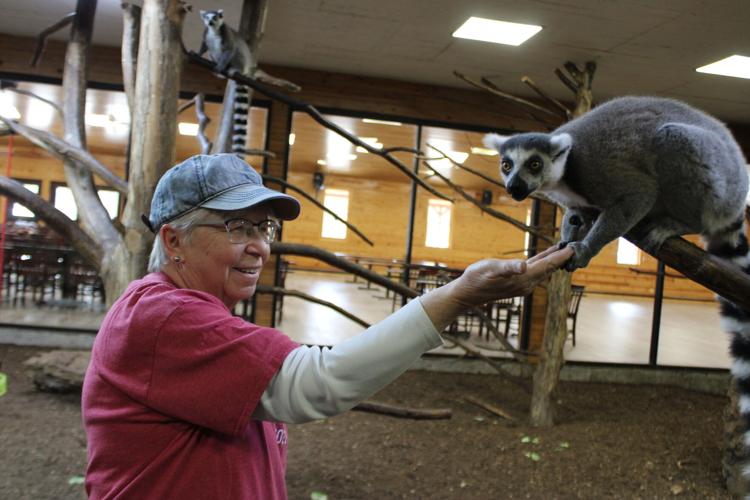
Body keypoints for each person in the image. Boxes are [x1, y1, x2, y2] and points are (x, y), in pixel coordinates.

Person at [82, 153, 573, 499]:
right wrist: (456, 296)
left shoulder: (200, 317)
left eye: (263, 229)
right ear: (174, 240)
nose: (260, 247)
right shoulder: (162, 316)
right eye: (238, 228)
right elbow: (320, 384)